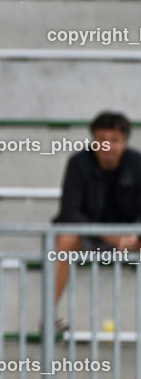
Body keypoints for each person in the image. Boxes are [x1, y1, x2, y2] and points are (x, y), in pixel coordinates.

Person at [52, 111, 141, 312]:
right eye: (101, 139)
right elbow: (69, 212)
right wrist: (109, 236)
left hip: (131, 239)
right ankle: (49, 316)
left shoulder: (138, 164)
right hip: (90, 237)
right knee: (64, 239)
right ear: (93, 140)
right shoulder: (78, 163)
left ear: (125, 142)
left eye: (114, 140)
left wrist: (133, 235)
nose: (107, 146)